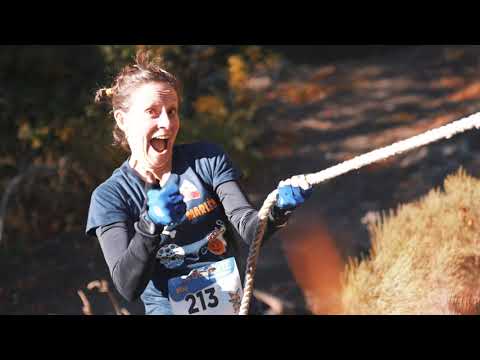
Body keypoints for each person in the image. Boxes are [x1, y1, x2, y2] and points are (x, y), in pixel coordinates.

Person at [86, 49, 313, 315]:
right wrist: (151, 226)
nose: (167, 123)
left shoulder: (207, 160)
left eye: (172, 111)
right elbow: (128, 286)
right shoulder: (110, 196)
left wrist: (277, 210)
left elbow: (248, 230)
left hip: (235, 307)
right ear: (122, 120)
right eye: (152, 112)